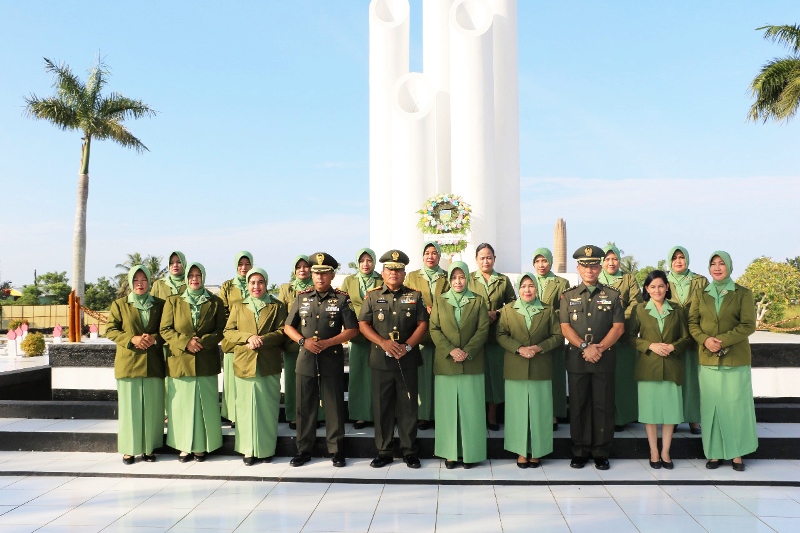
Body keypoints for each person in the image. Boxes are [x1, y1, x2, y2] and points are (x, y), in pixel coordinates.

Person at [284, 253, 359, 468]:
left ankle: (336, 450)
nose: (319, 278)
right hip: (306, 359)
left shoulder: (342, 299)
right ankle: (303, 450)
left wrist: (329, 342)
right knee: (304, 407)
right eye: (316, 273)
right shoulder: (302, 297)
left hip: (331, 359)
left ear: (332, 275)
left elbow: (352, 330)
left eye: (324, 273)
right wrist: (302, 341)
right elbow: (288, 326)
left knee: (334, 407)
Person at [359, 249, 429, 469]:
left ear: (404, 273)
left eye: (398, 270)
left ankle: (409, 451)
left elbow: (423, 325)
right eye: (390, 269)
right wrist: (383, 342)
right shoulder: (372, 296)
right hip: (381, 360)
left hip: (407, 359)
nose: (394, 273)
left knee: (408, 407)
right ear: (382, 272)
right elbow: (363, 324)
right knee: (382, 408)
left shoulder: (415, 296)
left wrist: (407, 346)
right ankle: (384, 451)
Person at [688, 251, 758, 472]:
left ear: (729, 266)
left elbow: (748, 325)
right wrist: (705, 340)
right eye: (713, 264)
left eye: (721, 264)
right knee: (712, 407)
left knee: (735, 407)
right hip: (708, 359)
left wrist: (722, 341)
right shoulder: (700, 294)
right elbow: (692, 323)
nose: (717, 267)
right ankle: (715, 453)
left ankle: (737, 453)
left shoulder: (743, 294)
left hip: (735, 360)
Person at [560, 245, 625, 470]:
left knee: (603, 406)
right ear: (578, 268)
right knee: (579, 406)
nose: (589, 270)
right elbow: (565, 327)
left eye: (594, 265)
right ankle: (580, 450)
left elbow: (618, 328)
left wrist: (599, 348)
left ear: (600, 268)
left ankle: (601, 451)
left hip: (604, 359)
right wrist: (585, 347)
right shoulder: (568, 297)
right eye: (585, 266)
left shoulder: (613, 295)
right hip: (578, 358)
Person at [497, 273, 564, 469]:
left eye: (531, 286)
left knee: (539, 411)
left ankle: (538, 451)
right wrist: (519, 348)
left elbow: (558, 336)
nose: (527, 290)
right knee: (517, 412)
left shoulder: (547, 310)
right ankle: (520, 451)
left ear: (537, 288)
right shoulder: (508, 310)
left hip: (540, 366)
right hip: (515, 367)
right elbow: (501, 334)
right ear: (518, 289)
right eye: (524, 286)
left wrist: (538, 348)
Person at [160, 262, 226, 462]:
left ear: (203, 277)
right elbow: (165, 329)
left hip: (205, 359)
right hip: (180, 361)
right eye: (191, 275)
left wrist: (202, 343)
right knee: (182, 406)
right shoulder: (173, 301)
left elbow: (220, 330)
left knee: (204, 405)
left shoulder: (215, 302)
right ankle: (184, 447)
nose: (194, 279)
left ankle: (201, 447)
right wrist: (185, 342)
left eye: (198, 275)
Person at [627, 270, 691, 470]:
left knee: (671, 412)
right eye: (652, 287)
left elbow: (687, 338)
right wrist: (650, 345)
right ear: (646, 289)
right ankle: (654, 451)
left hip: (672, 366)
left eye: (661, 286)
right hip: (649, 367)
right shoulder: (639, 310)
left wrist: (673, 347)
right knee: (650, 412)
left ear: (667, 287)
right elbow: (629, 337)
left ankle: (666, 452)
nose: (657, 290)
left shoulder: (677, 310)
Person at [223, 267, 287, 465]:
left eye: (260, 282)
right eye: (252, 282)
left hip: (268, 364)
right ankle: (248, 450)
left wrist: (262, 340)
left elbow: (282, 331)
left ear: (266, 284)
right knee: (245, 408)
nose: (256, 286)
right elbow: (228, 331)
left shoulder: (276, 305)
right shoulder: (239, 306)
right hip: (245, 362)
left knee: (267, 408)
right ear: (248, 285)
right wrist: (248, 337)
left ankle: (266, 449)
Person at [429, 261, 489, 469]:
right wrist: (451, 350)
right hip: (446, 363)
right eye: (454, 277)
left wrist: (467, 351)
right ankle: (450, 453)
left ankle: (471, 453)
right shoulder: (440, 301)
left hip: (471, 363)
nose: (458, 281)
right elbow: (434, 329)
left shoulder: (478, 301)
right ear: (449, 280)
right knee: (448, 411)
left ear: (467, 278)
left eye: (461, 277)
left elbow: (483, 329)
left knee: (471, 410)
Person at [106, 265, 166, 465]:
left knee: (152, 408)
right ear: (130, 283)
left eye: (144, 280)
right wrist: (132, 339)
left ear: (150, 282)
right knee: (130, 409)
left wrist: (154, 339)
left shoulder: (160, 304)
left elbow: (167, 330)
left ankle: (148, 448)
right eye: (136, 280)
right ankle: (129, 450)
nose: (140, 284)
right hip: (129, 363)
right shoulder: (120, 305)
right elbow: (111, 330)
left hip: (152, 364)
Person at [467, 243, 516, 431]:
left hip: (497, 335)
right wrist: (481, 313)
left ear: (494, 259)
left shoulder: (502, 280)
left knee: (495, 377)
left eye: (489, 257)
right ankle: (476, 415)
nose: (485, 261)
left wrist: (496, 312)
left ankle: (493, 415)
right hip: (474, 336)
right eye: (482, 257)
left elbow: (512, 303)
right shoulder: (469, 279)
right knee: (477, 377)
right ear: (476, 260)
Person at [404, 241, 449, 431]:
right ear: (422, 256)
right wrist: (422, 309)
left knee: (439, 376)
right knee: (421, 377)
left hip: (441, 334)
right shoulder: (413, 277)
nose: (430, 256)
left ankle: (439, 413)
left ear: (439, 256)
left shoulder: (447, 278)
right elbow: (405, 300)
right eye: (427, 253)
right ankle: (423, 415)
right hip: (419, 334)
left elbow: (451, 299)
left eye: (434, 253)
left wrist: (437, 309)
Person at [600, 244, 642, 431]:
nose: (611, 262)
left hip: (623, 336)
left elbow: (636, 302)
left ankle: (623, 416)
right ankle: (606, 417)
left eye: (614, 259)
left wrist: (620, 320)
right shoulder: (595, 279)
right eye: (607, 259)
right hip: (601, 336)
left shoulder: (628, 279)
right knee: (604, 379)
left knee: (623, 378)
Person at [666, 246, 708, 435]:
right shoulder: (663, 281)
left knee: (693, 378)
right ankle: (674, 417)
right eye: (674, 258)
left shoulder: (700, 281)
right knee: (674, 378)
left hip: (694, 336)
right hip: (671, 337)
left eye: (682, 257)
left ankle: (694, 419)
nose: (678, 261)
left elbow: (708, 307)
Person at [339, 248, 382, 429]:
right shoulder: (349, 280)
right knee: (357, 375)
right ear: (358, 262)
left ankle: (377, 413)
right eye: (362, 260)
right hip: (356, 334)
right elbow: (342, 305)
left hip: (377, 333)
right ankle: (359, 415)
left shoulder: (381, 279)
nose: (366, 264)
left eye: (369, 260)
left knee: (377, 374)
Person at [277, 256, 322, 430]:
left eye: (305, 267)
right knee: (293, 381)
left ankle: (316, 416)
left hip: (314, 342)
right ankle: (294, 416)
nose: (302, 270)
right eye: (299, 267)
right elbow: (282, 315)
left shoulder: (317, 287)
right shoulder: (287, 289)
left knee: (314, 380)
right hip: (292, 343)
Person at [532, 247, 570, 429]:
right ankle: (538, 413)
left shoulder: (561, 282)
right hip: (532, 335)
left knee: (554, 375)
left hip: (553, 333)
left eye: (544, 260)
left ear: (550, 261)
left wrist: (545, 314)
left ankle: (554, 414)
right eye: (537, 261)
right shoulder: (529, 281)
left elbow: (565, 309)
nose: (541, 265)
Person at [218, 251, 254, 428]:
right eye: (241, 264)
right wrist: (236, 330)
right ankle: (232, 415)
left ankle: (246, 412)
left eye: (247, 264)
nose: (244, 268)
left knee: (247, 380)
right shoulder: (227, 286)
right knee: (232, 380)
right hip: (233, 340)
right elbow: (222, 310)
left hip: (252, 340)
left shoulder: (255, 283)